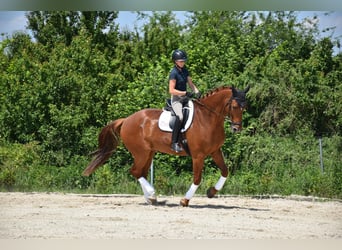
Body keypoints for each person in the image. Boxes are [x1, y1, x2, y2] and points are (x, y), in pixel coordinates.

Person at [168, 49, 201, 153]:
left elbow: (190, 83)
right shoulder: (173, 73)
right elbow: (171, 90)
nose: (183, 62)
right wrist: (185, 93)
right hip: (176, 100)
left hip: (185, 99)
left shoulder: (185, 70)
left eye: (184, 61)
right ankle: (174, 143)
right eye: (181, 61)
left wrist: (196, 91)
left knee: (197, 112)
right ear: (175, 61)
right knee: (180, 116)